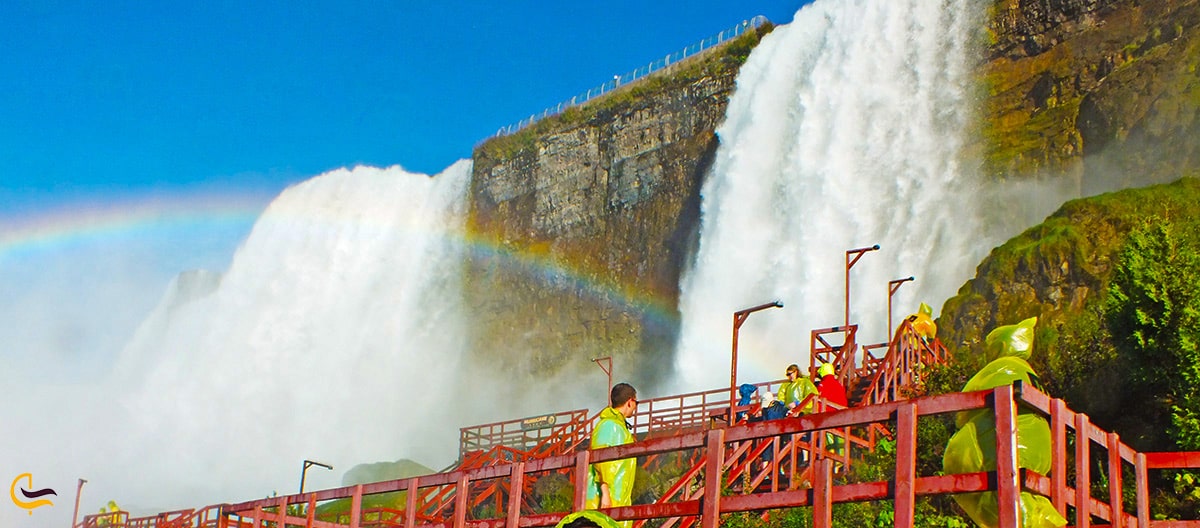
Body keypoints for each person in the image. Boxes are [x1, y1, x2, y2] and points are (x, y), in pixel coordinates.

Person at [586, 382, 637, 526]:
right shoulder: (609, 425)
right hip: (605, 499)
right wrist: (605, 493)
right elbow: (601, 460)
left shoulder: (618, 427)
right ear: (630, 402)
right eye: (636, 402)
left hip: (616, 499)